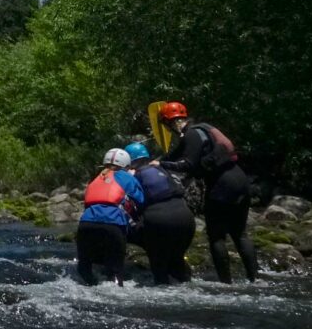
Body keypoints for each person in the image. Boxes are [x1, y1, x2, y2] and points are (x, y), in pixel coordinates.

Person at [152, 102, 257, 283]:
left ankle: (226, 283)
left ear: (171, 122)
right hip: (240, 180)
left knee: (217, 237)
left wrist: (160, 165)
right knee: (240, 234)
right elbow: (176, 154)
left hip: (222, 185)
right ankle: (255, 280)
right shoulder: (204, 129)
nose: (168, 129)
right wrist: (163, 159)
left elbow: (187, 165)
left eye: (166, 125)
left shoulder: (191, 135)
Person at [125, 142, 194, 284]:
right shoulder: (162, 169)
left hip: (159, 219)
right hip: (186, 217)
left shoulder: (134, 176)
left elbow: (132, 204)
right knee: (176, 258)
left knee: (159, 265)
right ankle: (183, 279)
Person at [76, 148, 144, 286]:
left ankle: (92, 285)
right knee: (116, 272)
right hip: (113, 225)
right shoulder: (127, 177)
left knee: (84, 268)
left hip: (86, 224)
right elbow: (141, 200)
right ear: (126, 165)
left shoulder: (95, 178)